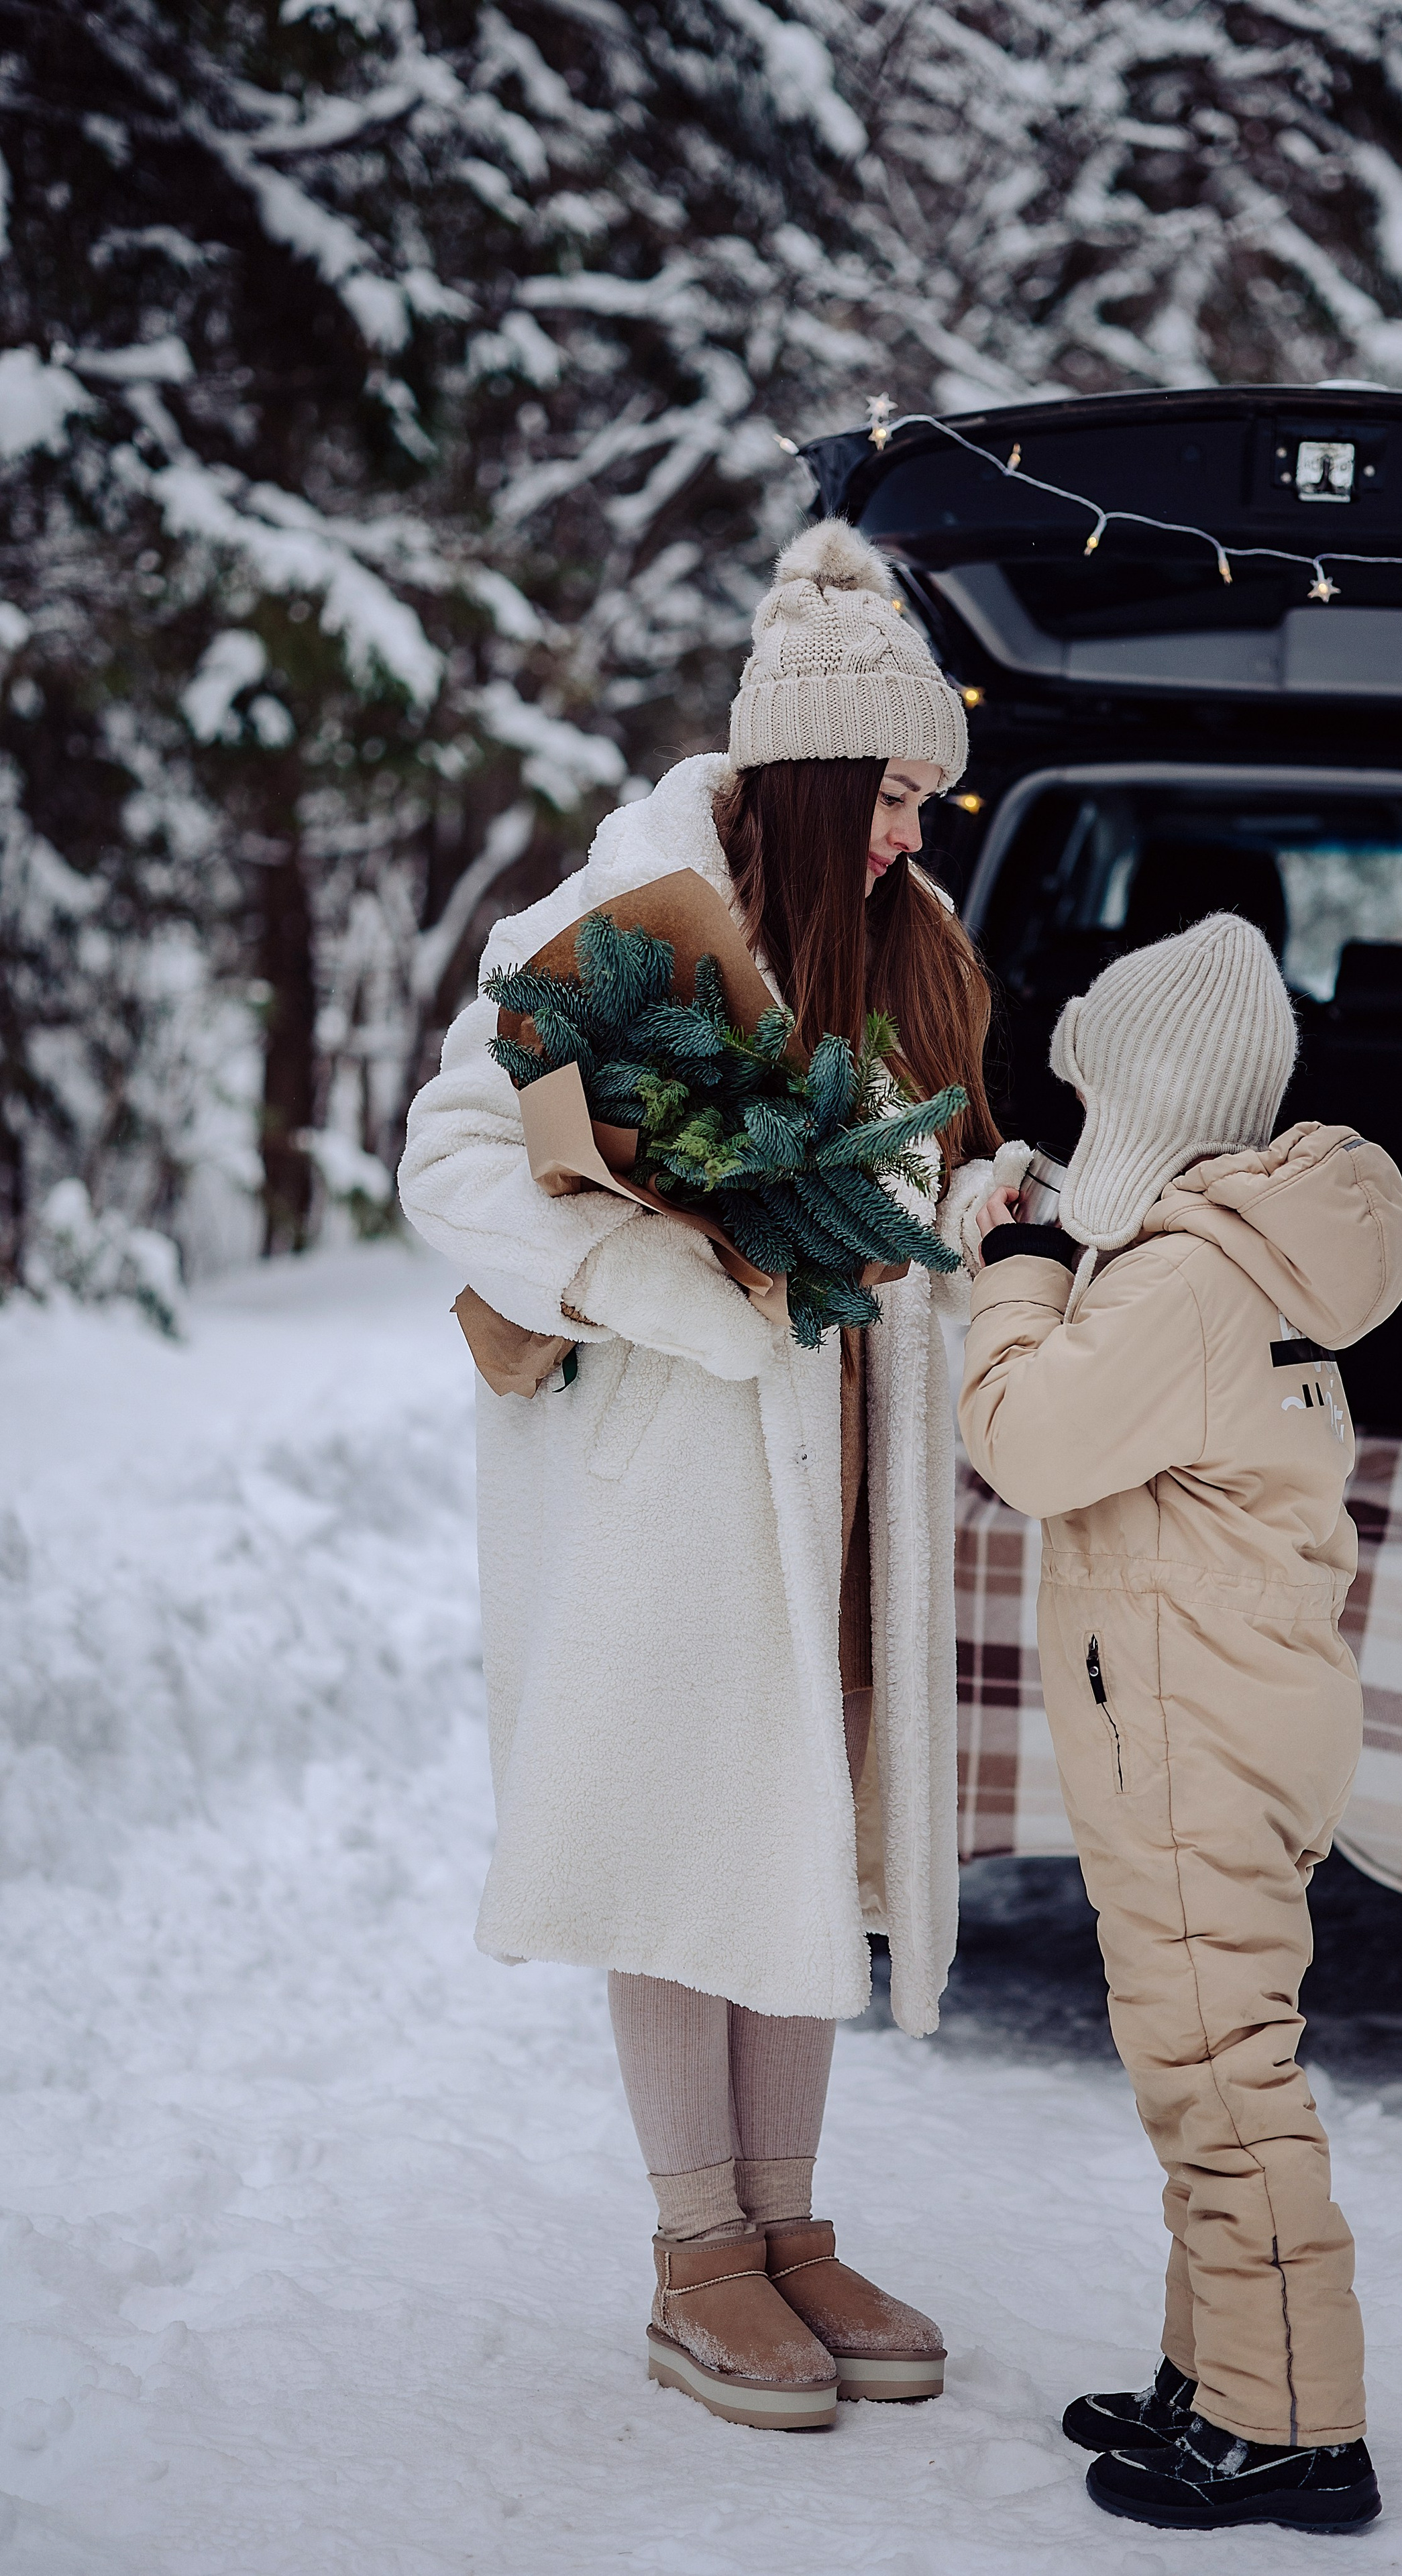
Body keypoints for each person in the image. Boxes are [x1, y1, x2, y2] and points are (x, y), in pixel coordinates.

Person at [398, 519, 1024, 2433]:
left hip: (847, 1477)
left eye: (931, 795)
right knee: (680, 1827)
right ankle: (698, 2253)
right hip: (667, 1475)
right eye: (898, 793)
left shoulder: (910, 947)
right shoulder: (614, 920)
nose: (919, 833)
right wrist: (660, 1276)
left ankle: (787, 2226)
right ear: (820, 770)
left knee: (797, 1827)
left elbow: (925, 1178)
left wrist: (981, 1219)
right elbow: (452, 1157)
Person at [958, 913, 1402, 2534]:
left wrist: (1012, 1284)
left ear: (1144, 1103)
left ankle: (1292, 2426)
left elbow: (1024, 1437)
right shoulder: (1247, 1254)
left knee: (1222, 2075)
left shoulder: (1182, 1283)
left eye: (1092, 1106)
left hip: (1186, 1726)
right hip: (1237, 1707)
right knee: (1197, 2059)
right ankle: (1216, 2369)